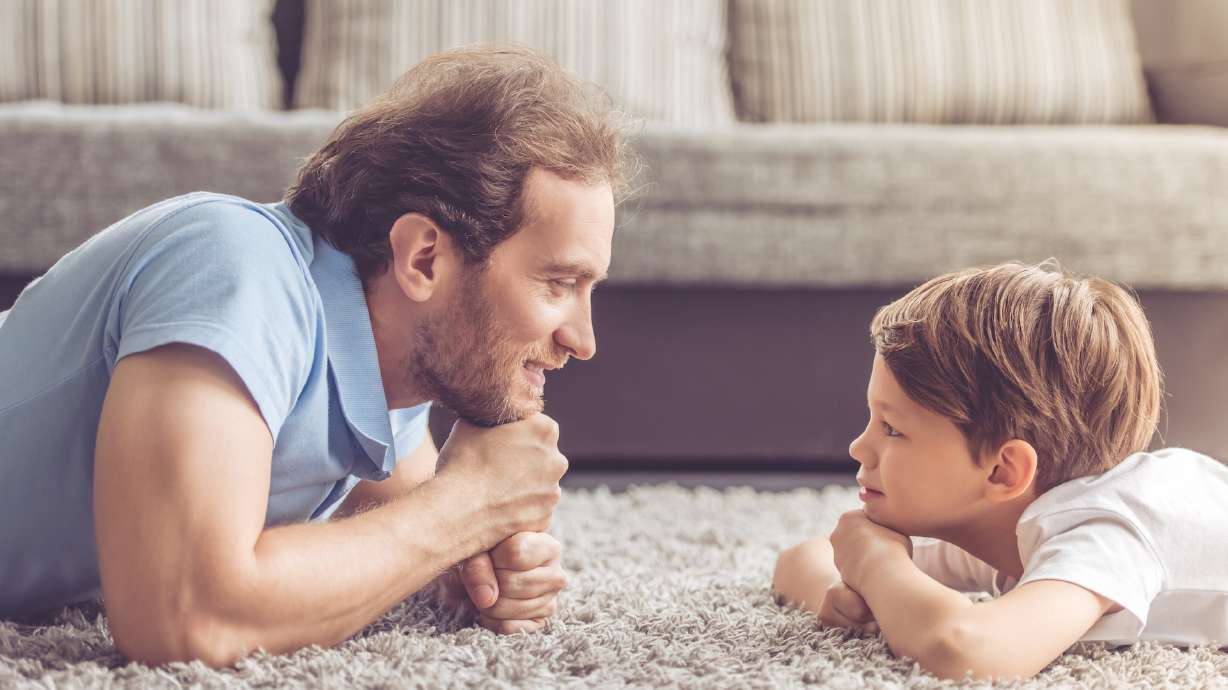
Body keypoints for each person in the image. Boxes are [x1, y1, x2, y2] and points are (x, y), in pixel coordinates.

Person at [0, 45, 633, 666]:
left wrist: (471, 565)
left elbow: (416, 530)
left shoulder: (394, 378)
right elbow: (183, 616)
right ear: (424, 259)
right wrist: (469, 506)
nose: (584, 339)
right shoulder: (233, 266)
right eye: (558, 284)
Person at [772, 261, 1228, 680]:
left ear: (1002, 473)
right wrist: (839, 592)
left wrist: (876, 565)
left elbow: (966, 650)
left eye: (891, 428)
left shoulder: (1102, 534)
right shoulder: (1002, 522)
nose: (858, 446)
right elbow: (799, 560)